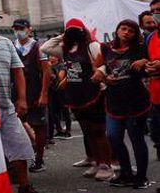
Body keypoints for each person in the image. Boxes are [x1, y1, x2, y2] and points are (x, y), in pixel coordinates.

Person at [0, 9, 51, 193]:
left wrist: (21, 99)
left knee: (20, 145)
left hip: (6, 105)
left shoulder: (5, 44)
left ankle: (24, 188)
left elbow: (18, 72)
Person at [42, 19, 113, 181]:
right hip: (76, 95)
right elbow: (45, 48)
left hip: (93, 93)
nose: (73, 33)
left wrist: (100, 72)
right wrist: (63, 35)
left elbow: (105, 62)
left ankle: (106, 164)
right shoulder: (65, 49)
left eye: (76, 30)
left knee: (98, 130)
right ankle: (95, 161)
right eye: (69, 31)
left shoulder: (91, 46)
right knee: (87, 131)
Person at [100, 20, 151, 188]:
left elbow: (150, 65)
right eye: (123, 28)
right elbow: (99, 67)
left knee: (136, 139)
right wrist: (105, 77)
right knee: (113, 136)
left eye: (131, 30)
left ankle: (141, 177)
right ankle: (126, 172)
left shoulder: (140, 49)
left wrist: (144, 62)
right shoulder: (106, 48)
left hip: (135, 101)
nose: (126, 32)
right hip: (114, 101)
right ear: (117, 30)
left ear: (135, 34)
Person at [12, 19, 51, 172]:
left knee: (39, 125)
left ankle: (39, 158)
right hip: (16, 92)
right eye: (16, 28)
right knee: (16, 125)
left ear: (29, 29)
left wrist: (44, 93)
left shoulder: (37, 47)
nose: (18, 31)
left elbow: (46, 71)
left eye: (21, 28)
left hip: (34, 91)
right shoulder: (12, 46)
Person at [146, 0, 160, 164]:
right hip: (156, 97)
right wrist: (146, 66)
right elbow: (146, 60)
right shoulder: (151, 38)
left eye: (159, 10)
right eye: (153, 11)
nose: (156, 14)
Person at [47, 54, 72, 139]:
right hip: (52, 91)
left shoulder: (62, 66)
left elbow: (60, 78)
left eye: (53, 56)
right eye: (50, 56)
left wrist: (49, 69)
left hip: (61, 90)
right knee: (53, 111)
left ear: (58, 57)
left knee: (64, 109)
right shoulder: (48, 65)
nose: (51, 57)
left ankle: (68, 130)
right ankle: (59, 129)